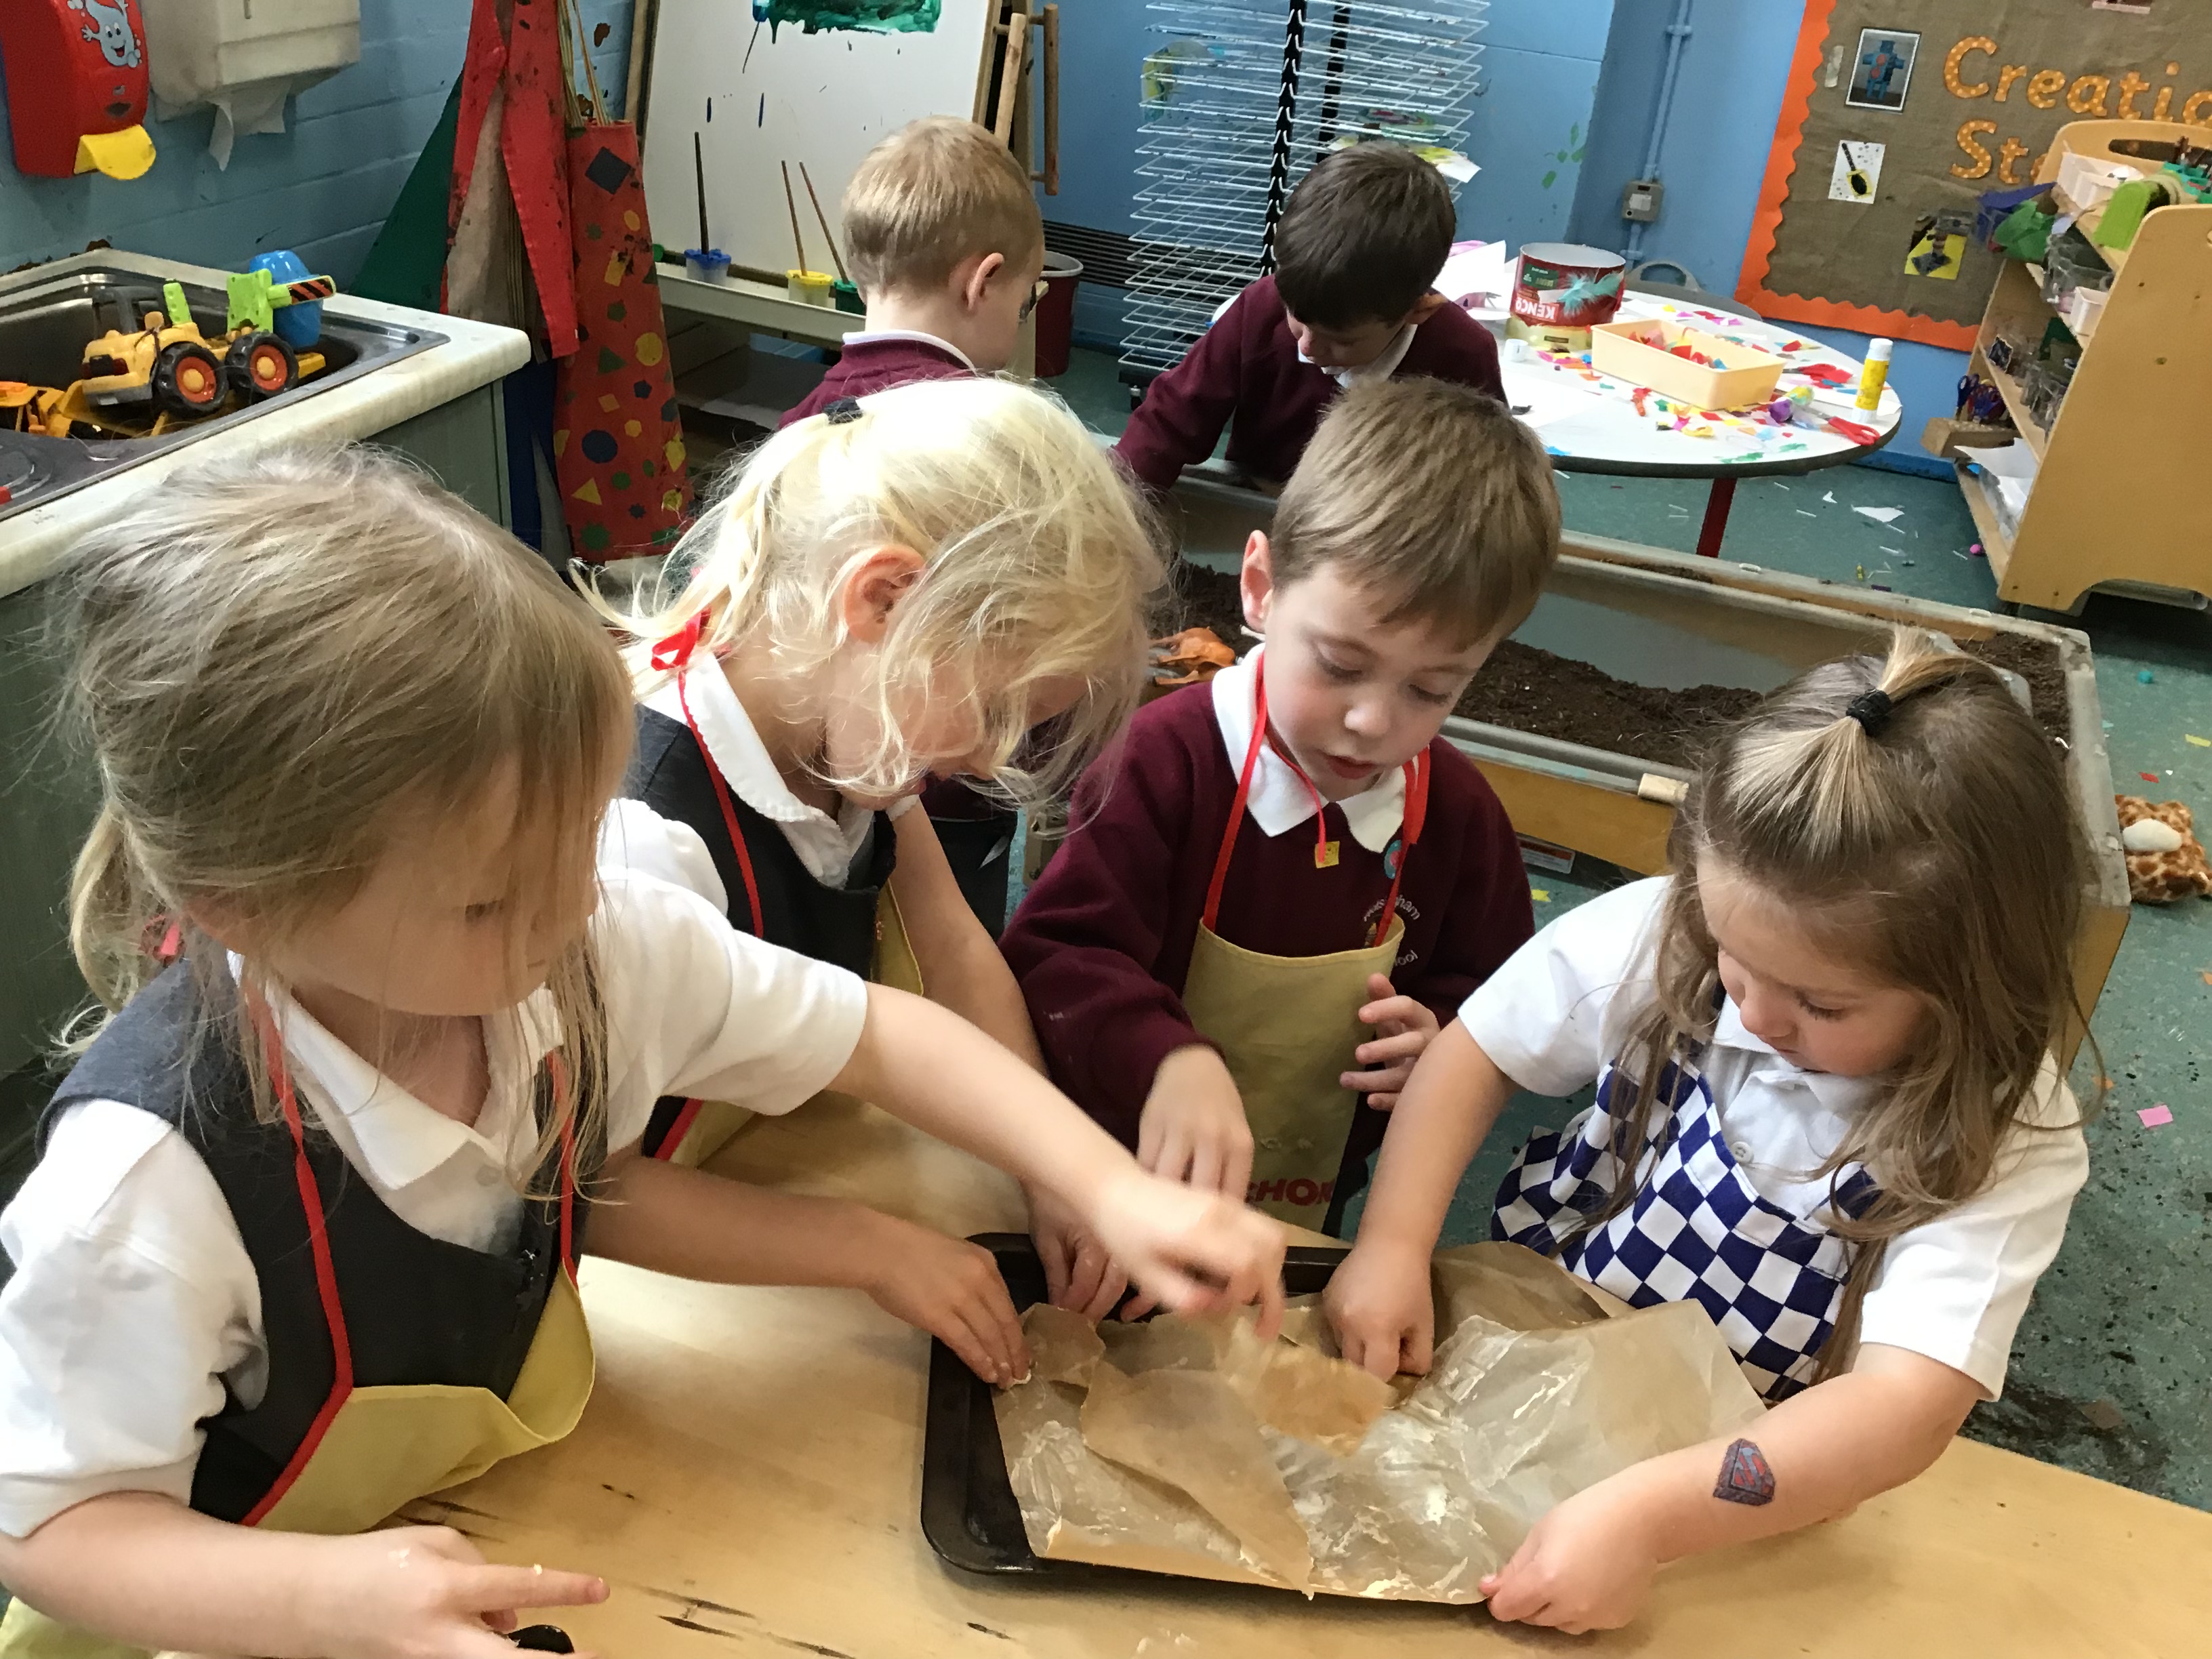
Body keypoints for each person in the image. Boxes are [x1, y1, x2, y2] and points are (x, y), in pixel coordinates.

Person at [0, 450, 1284, 1659]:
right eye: (490, 900)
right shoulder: (146, 1190)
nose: (573, 910)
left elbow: (882, 1034)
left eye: (577, 845)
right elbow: (53, 1532)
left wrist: (1104, 1182)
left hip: (473, 1527)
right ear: (248, 905)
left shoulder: (578, 942)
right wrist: (325, 1596)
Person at [1326, 630, 2095, 1633]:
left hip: (1756, 1474)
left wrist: (1651, 1516)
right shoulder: (1669, 931)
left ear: (1975, 989)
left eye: (1821, 1004)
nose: (1756, 1015)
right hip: (1543, 1344)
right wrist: (1392, 1243)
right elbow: (1476, 1053)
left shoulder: (2005, 1134)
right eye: (1735, 957)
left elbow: (1902, 1409)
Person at [1002, 378, 1559, 1312]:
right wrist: (1168, 1058)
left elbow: (1496, 1000)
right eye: (1339, 665)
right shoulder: (1162, 762)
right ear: (1260, 588)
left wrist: (1440, 1039)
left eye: (1431, 691)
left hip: (1308, 1195)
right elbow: (1059, 954)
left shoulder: (1459, 816)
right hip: (1114, 1181)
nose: (1373, 720)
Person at [601, 375, 1155, 1170]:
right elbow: (604, 1199)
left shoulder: (855, 736)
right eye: (994, 709)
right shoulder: (643, 836)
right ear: (886, 600)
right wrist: (882, 1242)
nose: (987, 760)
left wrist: (1053, 1172)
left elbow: (956, 951)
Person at [1113, 142, 1505, 494]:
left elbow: (1487, 478)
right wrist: (1118, 502)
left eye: (1342, 340)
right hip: (1263, 500)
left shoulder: (1462, 355)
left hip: (1390, 527)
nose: (1307, 347)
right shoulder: (1260, 308)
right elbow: (1170, 420)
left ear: (1418, 310)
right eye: (1296, 318)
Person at [780, 117, 1044, 427]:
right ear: (981, 284)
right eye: (1022, 307)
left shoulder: (797, 427)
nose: (1018, 323)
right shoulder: (993, 432)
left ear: (861, 283)